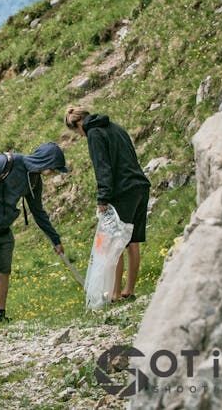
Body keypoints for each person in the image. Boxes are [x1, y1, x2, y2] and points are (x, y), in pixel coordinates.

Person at [0, 142, 67, 325]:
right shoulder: (7, 163)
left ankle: (0, 315)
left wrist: (55, 239)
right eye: (53, 167)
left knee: (4, 271)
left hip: (2, 228)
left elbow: (38, 211)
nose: (53, 172)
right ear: (46, 161)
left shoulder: (34, 180)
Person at [64, 106, 151, 302]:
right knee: (133, 241)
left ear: (79, 124)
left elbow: (102, 166)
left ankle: (115, 294)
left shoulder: (94, 133)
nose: (81, 135)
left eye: (78, 132)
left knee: (115, 242)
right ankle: (129, 290)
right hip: (139, 186)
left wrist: (103, 198)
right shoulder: (115, 127)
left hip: (123, 191)